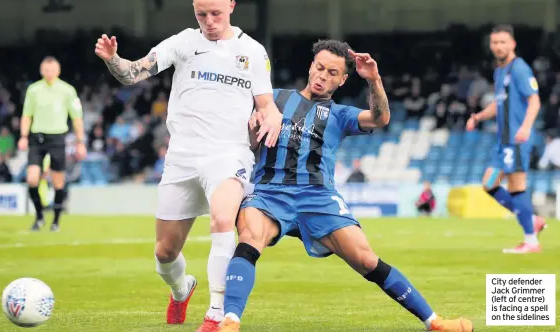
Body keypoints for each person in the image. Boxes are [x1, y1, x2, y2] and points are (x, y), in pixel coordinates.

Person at [219, 40, 474, 332]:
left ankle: (435, 322)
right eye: (319, 68)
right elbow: (245, 140)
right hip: (270, 193)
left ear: (342, 80)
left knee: (367, 259)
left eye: (331, 72)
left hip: (319, 198)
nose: (322, 76)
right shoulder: (273, 99)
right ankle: (230, 321)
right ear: (310, 66)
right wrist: (252, 131)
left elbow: (380, 118)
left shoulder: (340, 115)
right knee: (250, 237)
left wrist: (374, 80)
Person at [94, 0, 282, 331]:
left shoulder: (252, 51)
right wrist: (113, 59)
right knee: (164, 253)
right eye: (201, 14)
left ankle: (215, 314)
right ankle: (182, 289)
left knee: (223, 221)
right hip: (182, 156)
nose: (209, 21)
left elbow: (267, 105)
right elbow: (134, 73)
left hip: (229, 153)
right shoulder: (183, 42)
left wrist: (269, 120)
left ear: (231, 7)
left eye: (215, 13)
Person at [466, 25, 547, 254]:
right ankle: (532, 220)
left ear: (513, 44)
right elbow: (499, 103)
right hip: (503, 142)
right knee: (489, 184)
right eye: (495, 43)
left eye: (503, 42)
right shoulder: (500, 71)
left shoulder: (520, 69)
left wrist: (526, 128)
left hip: (517, 139)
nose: (498, 46)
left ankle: (531, 240)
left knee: (516, 186)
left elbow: (535, 101)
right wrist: (479, 117)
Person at [18, 56, 87, 232]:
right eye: (45, 70)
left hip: (57, 138)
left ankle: (56, 221)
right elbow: (27, 115)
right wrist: (23, 136)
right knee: (32, 178)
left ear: (58, 71)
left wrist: (80, 142)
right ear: (41, 71)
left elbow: (77, 117)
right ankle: (40, 215)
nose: (48, 73)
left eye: (52, 70)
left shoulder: (67, 90)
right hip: (37, 137)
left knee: (58, 182)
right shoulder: (33, 90)